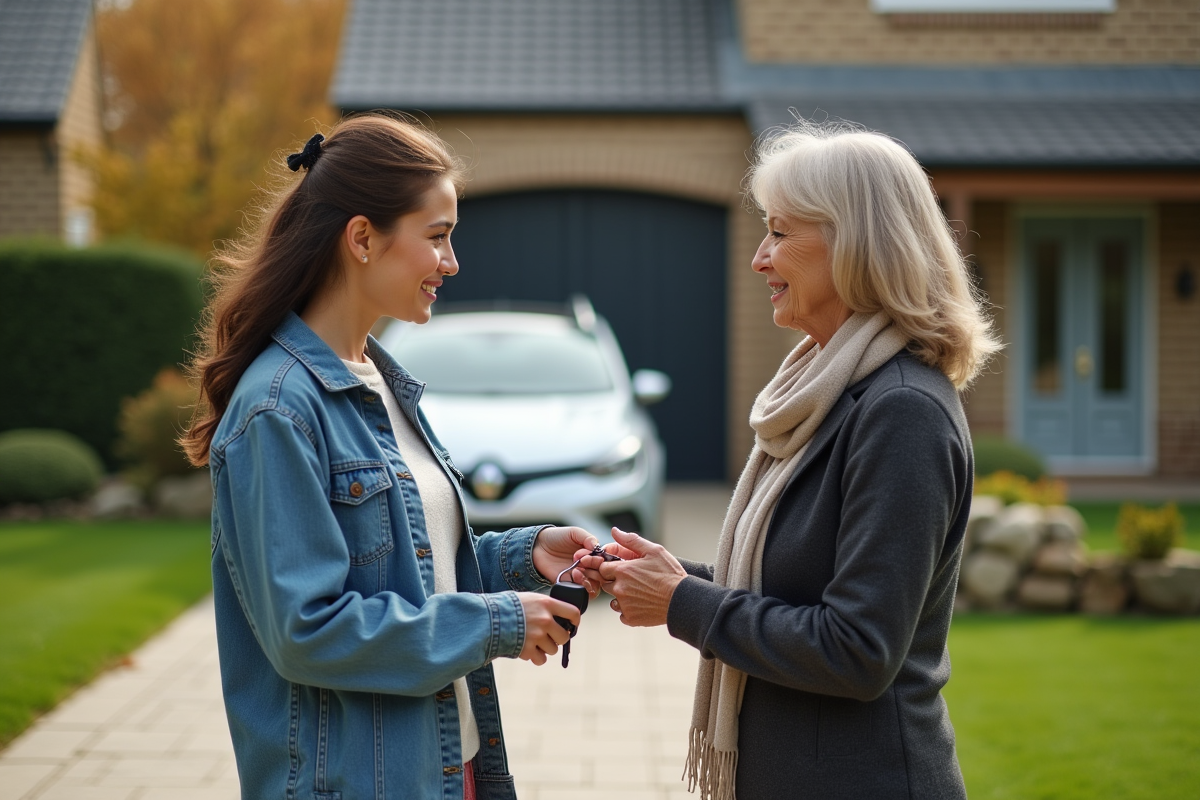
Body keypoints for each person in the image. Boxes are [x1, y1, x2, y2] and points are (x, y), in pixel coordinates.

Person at [182, 114, 601, 800]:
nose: (452, 262)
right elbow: (307, 630)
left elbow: (405, 568)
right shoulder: (278, 409)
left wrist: (526, 553)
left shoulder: (381, 379)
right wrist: (497, 622)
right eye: (437, 237)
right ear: (362, 238)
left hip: (447, 765)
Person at [578, 121, 1001, 800]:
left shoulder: (900, 411)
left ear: (855, 243)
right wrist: (665, 575)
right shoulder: (826, 393)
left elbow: (858, 649)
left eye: (779, 232)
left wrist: (685, 603)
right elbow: (795, 589)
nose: (759, 258)